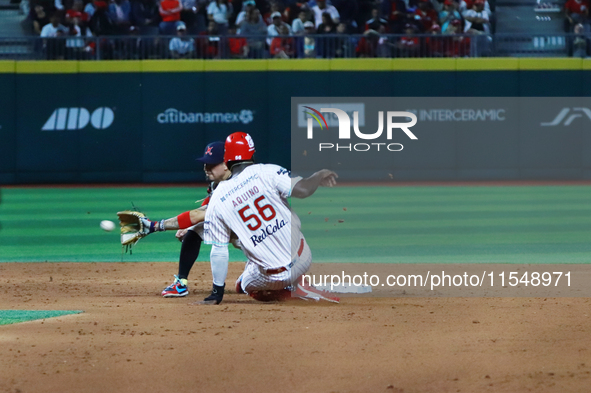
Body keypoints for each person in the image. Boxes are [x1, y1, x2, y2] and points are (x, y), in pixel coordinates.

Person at [200, 132, 340, 304]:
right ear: (251, 152)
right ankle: (299, 283)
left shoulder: (217, 198)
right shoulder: (268, 171)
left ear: (226, 159)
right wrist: (318, 175)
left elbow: (219, 250)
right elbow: (303, 190)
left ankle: (291, 291)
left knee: (243, 284)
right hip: (304, 257)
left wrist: (216, 293)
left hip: (274, 278)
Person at [160, 141, 233, 297]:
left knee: (263, 281)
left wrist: (156, 226)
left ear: (226, 164)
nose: (206, 169)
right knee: (195, 229)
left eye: (211, 164)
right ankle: (181, 283)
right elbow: (208, 204)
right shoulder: (216, 184)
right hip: (235, 228)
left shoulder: (237, 183)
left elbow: (197, 215)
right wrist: (188, 226)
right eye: (205, 164)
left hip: (254, 234)